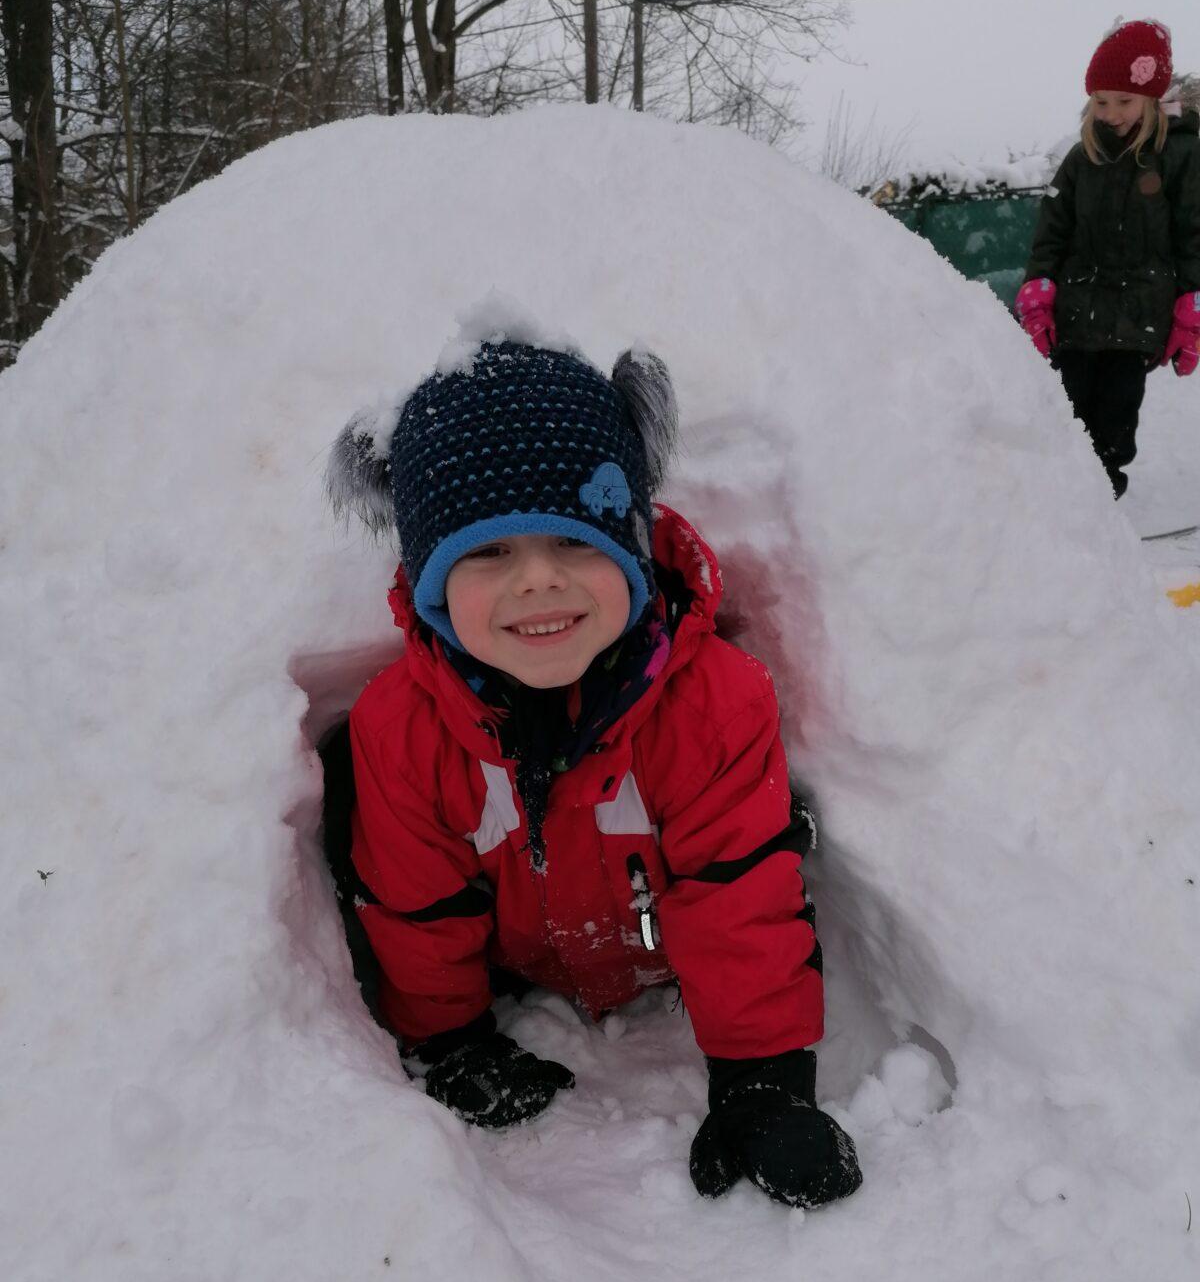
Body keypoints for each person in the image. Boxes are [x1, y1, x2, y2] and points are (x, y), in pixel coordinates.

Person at [323, 336, 862, 1211]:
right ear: (427, 581)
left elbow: (739, 891)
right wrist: (449, 1038)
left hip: (654, 957)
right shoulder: (402, 730)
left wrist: (762, 1077)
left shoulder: (714, 702)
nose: (538, 581)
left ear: (630, 551)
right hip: (517, 957)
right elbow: (415, 904)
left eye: (574, 544)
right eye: (488, 553)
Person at [1015, 18, 1200, 498]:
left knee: (1116, 412)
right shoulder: (1083, 157)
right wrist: (1040, 284)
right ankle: (1062, 493)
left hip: (1139, 311)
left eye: (1124, 100)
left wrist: (1192, 300)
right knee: (1068, 406)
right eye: (1101, 101)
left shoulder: (1177, 155)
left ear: (1152, 99)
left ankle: (1101, 498)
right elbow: (1053, 227)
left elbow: (1194, 232)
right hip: (1078, 309)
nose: (1111, 113)